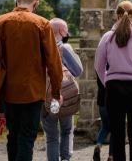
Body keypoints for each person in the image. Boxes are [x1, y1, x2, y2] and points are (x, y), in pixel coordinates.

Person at [0, 0, 63, 161]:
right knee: (27, 138)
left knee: (13, 135)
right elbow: (53, 62)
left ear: (16, 1)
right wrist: (56, 93)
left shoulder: (0, 22)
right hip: (33, 92)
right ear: (36, 4)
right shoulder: (42, 24)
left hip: (8, 91)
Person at [94, 0, 132, 161]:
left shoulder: (107, 38)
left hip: (114, 88)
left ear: (117, 16)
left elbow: (98, 65)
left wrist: (106, 81)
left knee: (117, 134)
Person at [41, 18, 83, 161]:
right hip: (64, 96)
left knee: (51, 137)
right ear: (61, 31)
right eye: (66, 30)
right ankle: (65, 158)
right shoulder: (65, 48)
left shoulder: (38, 48)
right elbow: (78, 71)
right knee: (66, 130)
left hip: (44, 98)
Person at [93, 76, 112, 161]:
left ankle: (98, 145)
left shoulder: (100, 67)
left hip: (101, 102)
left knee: (104, 127)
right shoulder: (115, 67)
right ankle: (111, 156)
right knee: (114, 130)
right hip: (112, 102)